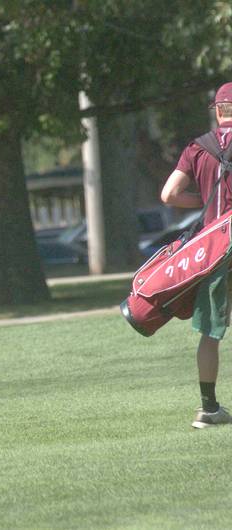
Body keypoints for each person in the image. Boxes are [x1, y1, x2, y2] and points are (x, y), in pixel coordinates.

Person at [161, 81, 232, 428]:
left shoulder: (197, 148)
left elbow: (168, 195)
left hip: (212, 249)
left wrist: (202, 202)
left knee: (211, 332)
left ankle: (208, 408)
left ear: (217, 111)